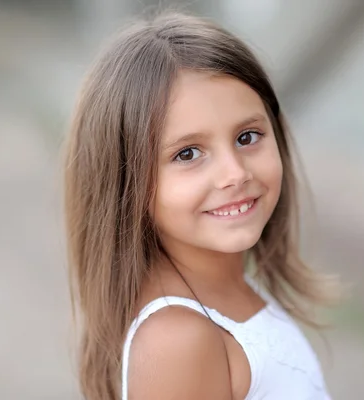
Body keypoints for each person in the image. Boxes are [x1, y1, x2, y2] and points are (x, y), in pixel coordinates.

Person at [64, 10, 339, 400]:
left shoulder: (224, 285)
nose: (234, 173)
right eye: (188, 153)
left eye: (247, 137)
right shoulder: (178, 340)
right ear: (126, 183)